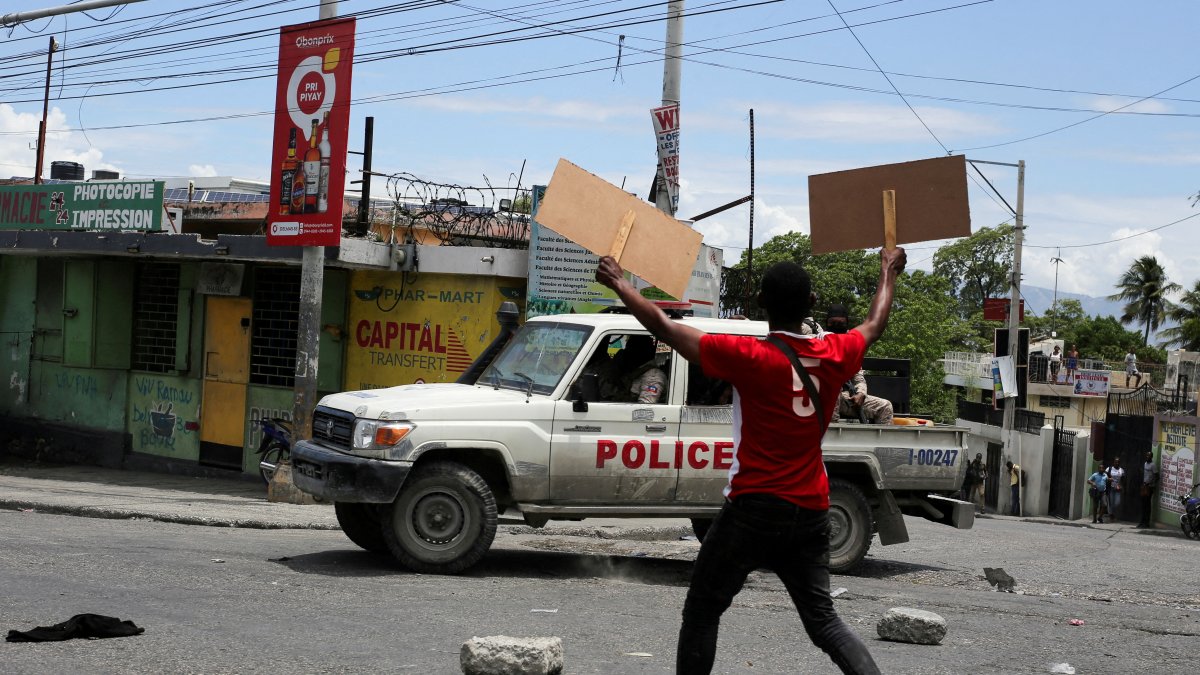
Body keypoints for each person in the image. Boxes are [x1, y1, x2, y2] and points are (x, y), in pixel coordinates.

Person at [595, 246, 906, 675]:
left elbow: (664, 327)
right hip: (812, 510)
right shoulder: (835, 354)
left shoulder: (750, 357)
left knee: (703, 611)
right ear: (811, 305)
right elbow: (874, 324)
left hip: (752, 510)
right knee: (824, 622)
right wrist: (888, 271)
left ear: (761, 304)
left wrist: (619, 282)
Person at [824, 305, 894, 425]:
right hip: (820, 398)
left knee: (885, 406)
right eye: (833, 322)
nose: (836, 326)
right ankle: (831, 438)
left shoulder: (849, 347)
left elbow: (858, 377)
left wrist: (861, 393)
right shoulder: (819, 340)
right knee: (833, 393)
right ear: (826, 323)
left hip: (844, 398)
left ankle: (882, 442)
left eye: (841, 323)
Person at [603, 335, 666, 404]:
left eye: (630, 349)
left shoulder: (653, 376)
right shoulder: (636, 372)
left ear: (641, 352)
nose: (626, 353)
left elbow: (645, 407)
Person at [1137, 450, 1159, 528]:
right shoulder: (1145, 464)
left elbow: (1157, 476)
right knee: (1143, 505)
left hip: (1150, 487)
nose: (1147, 457)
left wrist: (1152, 483)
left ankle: (1146, 523)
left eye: (1149, 456)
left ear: (1151, 457)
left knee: (1147, 505)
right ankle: (1142, 522)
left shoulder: (1153, 465)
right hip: (1144, 486)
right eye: (1146, 455)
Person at [1106, 456, 1125, 521]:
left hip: (1118, 489)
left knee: (1117, 503)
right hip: (1111, 488)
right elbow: (1104, 476)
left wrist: (1121, 486)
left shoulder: (1121, 470)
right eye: (1115, 462)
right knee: (1111, 502)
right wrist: (1108, 479)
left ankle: (1111, 513)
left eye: (1118, 462)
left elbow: (1123, 479)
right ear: (1113, 462)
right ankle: (1111, 515)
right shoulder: (1109, 469)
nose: (1117, 463)